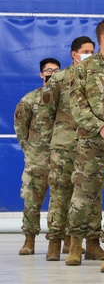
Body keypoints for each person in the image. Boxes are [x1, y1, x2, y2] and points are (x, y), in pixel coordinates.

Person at [65, 19, 104, 268]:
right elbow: (77, 105)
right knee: (84, 193)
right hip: (92, 140)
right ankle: (75, 244)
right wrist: (99, 127)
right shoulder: (83, 69)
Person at [38, 37, 93, 261]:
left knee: (85, 196)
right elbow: (45, 112)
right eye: (85, 51)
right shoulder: (59, 79)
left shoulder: (95, 78)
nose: (90, 54)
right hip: (63, 146)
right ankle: (54, 241)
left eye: (92, 50)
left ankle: (81, 241)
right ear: (74, 54)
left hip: (88, 146)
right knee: (60, 195)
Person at [14, 58, 60, 255]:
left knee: (61, 203)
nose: (52, 73)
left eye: (56, 70)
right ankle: (29, 241)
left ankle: (60, 243)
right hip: (37, 161)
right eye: (48, 70)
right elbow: (20, 128)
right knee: (31, 202)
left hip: (61, 159)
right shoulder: (29, 100)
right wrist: (31, 151)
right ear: (42, 74)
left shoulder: (66, 101)